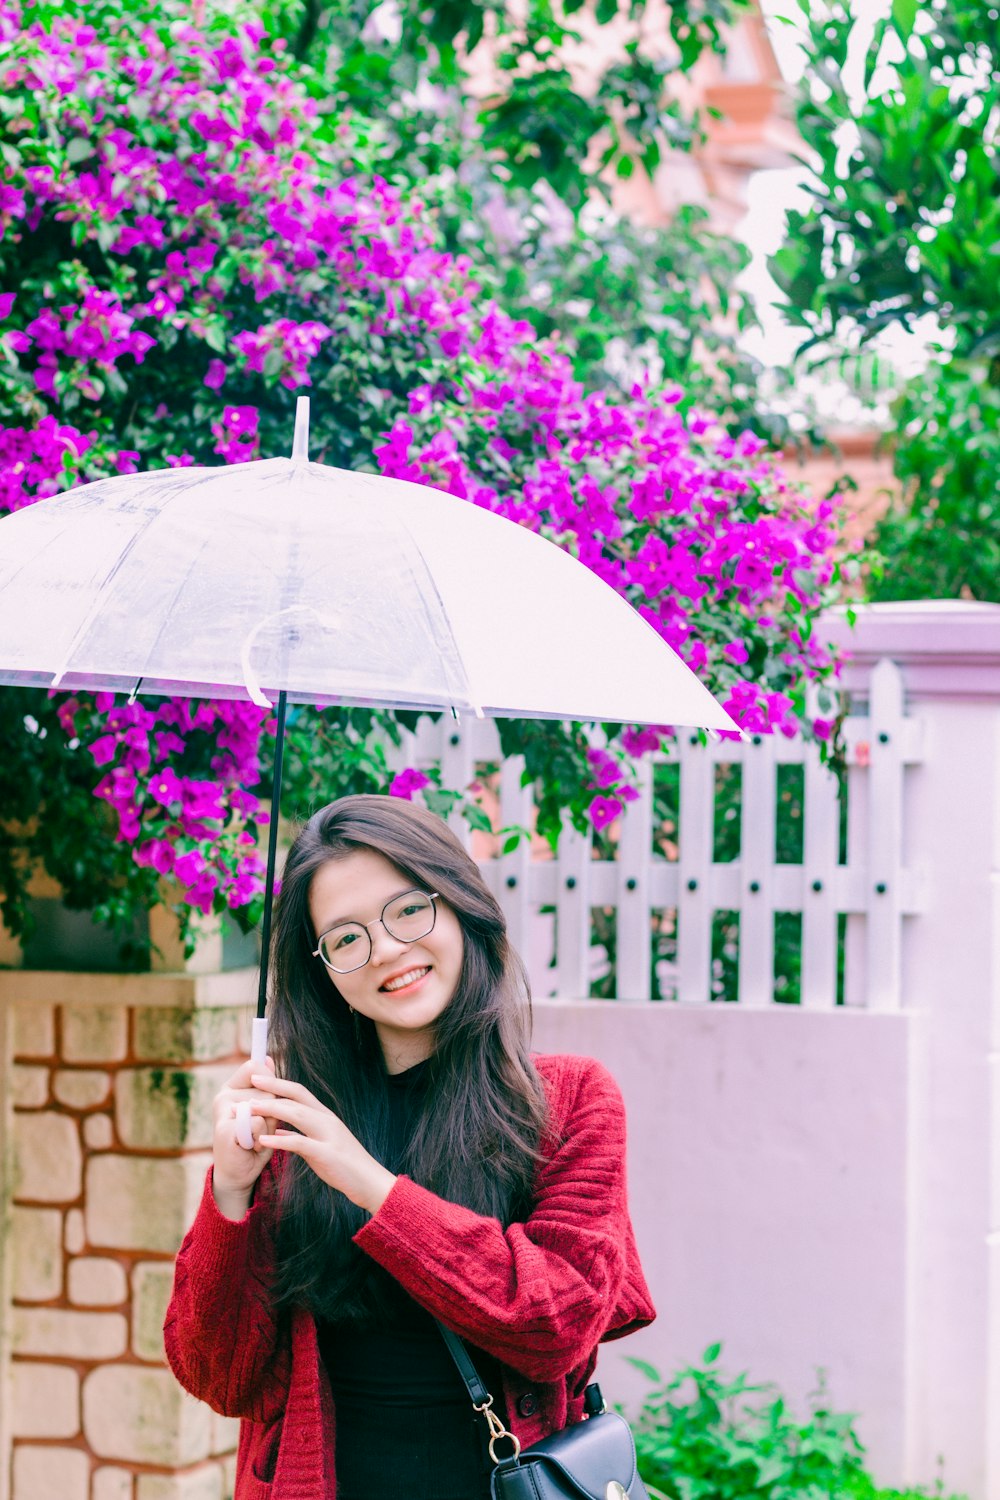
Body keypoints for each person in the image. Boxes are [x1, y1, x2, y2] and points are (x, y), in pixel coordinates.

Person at [164, 793, 655, 1500]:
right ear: (323, 968)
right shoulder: (292, 1123)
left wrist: (367, 1183)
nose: (388, 950)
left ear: (458, 904)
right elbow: (215, 1375)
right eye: (346, 938)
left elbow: (558, 1325)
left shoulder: (569, 1101)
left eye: (407, 910)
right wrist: (231, 1193)